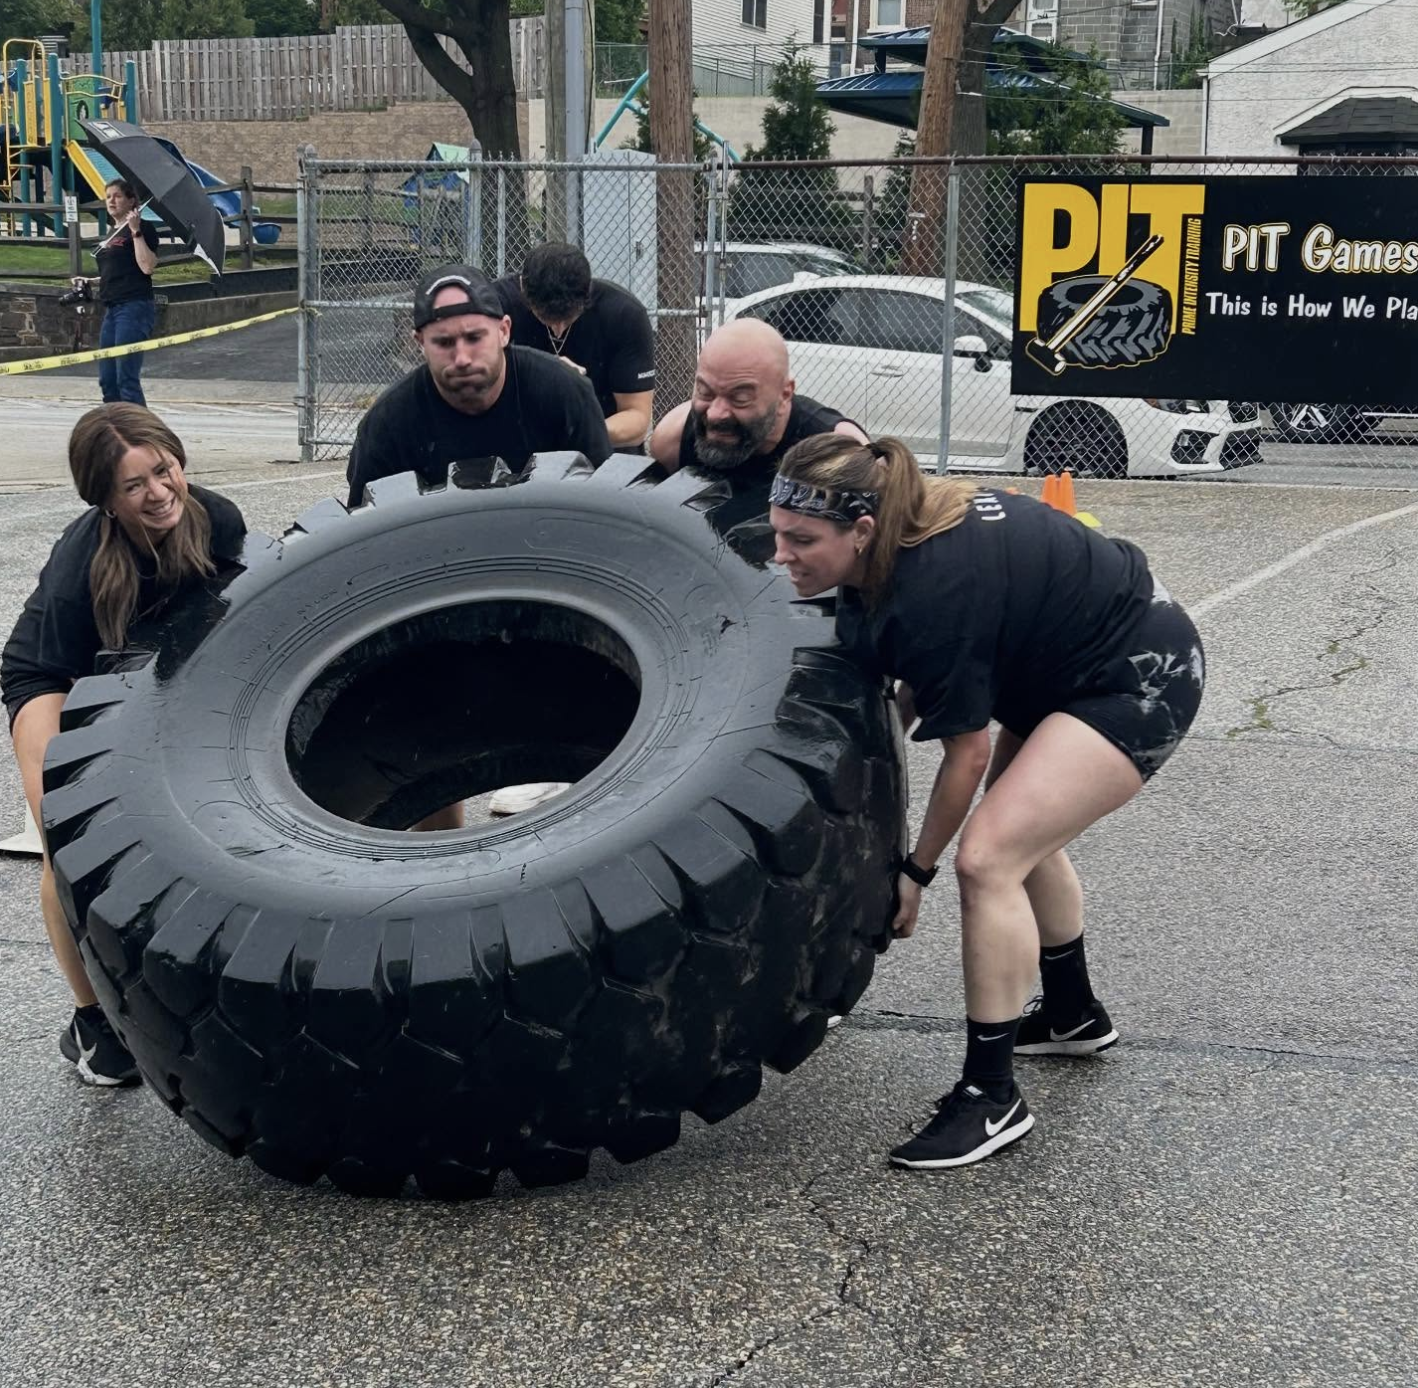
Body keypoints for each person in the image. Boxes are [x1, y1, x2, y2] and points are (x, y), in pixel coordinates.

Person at [769, 435, 1205, 1170]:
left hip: (1138, 674)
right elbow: (903, 700)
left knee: (990, 856)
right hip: (1056, 667)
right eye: (777, 534)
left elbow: (963, 752)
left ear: (862, 532)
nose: (782, 556)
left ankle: (992, 1097)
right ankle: (1071, 1016)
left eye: (802, 540)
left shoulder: (936, 585)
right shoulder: (889, 547)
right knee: (1023, 830)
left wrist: (914, 871)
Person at [2, 405, 247, 1087]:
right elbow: (69, 681)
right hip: (57, 681)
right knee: (68, 840)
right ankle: (93, 1023)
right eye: (134, 485)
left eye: (163, 471)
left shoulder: (217, 519)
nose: (158, 493)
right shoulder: (83, 563)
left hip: (158, 677)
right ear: (105, 499)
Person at [346, 264, 613, 509]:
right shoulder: (388, 423)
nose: (462, 358)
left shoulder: (563, 391)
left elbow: (604, 507)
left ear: (504, 331)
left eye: (474, 337)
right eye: (444, 342)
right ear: (421, 343)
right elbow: (364, 535)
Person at [649, 319, 866, 561]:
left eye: (739, 398)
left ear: (784, 395)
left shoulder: (838, 453)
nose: (715, 414)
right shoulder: (673, 441)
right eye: (705, 392)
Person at [494, 243, 656, 451]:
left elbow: (638, 420)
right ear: (523, 290)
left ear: (588, 290)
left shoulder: (624, 314)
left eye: (569, 318)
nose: (558, 330)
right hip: (518, 441)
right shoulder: (498, 305)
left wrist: (579, 429)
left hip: (601, 445)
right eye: (546, 318)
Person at [70, 179, 160, 408]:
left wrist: (136, 231)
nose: (111, 200)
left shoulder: (144, 229)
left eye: (117, 196)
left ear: (131, 200)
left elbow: (147, 267)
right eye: (108, 196)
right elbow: (116, 272)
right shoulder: (111, 233)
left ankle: (142, 434)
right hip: (112, 308)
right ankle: (116, 431)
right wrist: (89, 280)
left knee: (126, 379)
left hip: (134, 307)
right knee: (108, 380)